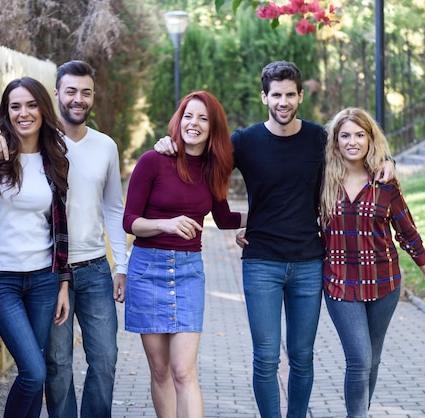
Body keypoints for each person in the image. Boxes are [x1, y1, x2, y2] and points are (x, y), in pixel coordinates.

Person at [154, 61, 395, 417]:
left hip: (309, 262)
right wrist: (169, 143)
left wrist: (388, 161)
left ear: (300, 97)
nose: (283, 102)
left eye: (290, 95)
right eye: (276, 95)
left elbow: (356, 148)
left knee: (301, 356)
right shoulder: (244, 141)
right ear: (264, 96)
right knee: (265, 357)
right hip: (261, 262)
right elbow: (204, 161)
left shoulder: (318, 139)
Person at [0, 60, 127, 418]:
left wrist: (121, 264)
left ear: (93, 97)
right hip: (50, 272)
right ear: (57, 93)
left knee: (105, 360)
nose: (78, 99)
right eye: (71, 91)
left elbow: (113, 208)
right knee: (56, 365)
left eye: (86, 92)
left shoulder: (105, 146)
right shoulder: (41, 142)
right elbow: (0, 142)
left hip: (94, 268)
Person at [123, 90, 247, 418]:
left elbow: (224, 219)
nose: (194, 123)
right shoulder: (153, 161)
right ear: (180, 119)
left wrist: (268, 217)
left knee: (182, 371)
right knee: (161, 370)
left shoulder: (213, 169)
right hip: (147, 270)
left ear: (213, 128)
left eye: (203, 118)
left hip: (189, 272)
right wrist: (166, 224)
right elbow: (130, 222)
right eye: (189, 115)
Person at [319, 107, 425, 417]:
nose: (352, 142)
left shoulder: (385, 183)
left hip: (384, 284)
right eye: (345, 135)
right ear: (335, 141)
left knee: (372, 360)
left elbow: (408, 234)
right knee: (360, 358)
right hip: (340, 283)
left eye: (360, 135)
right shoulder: (321, 181)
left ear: (370, 138)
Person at [0, 76, 71, 417]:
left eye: (31, 105)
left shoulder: (56, 158)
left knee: (33, 374)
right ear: (6, 112)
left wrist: (63, 281)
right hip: (0, 280)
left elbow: (61, 228)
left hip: (44, 280)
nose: (24, 113)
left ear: (43, 109)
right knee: (34, 372)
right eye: (15, 106)